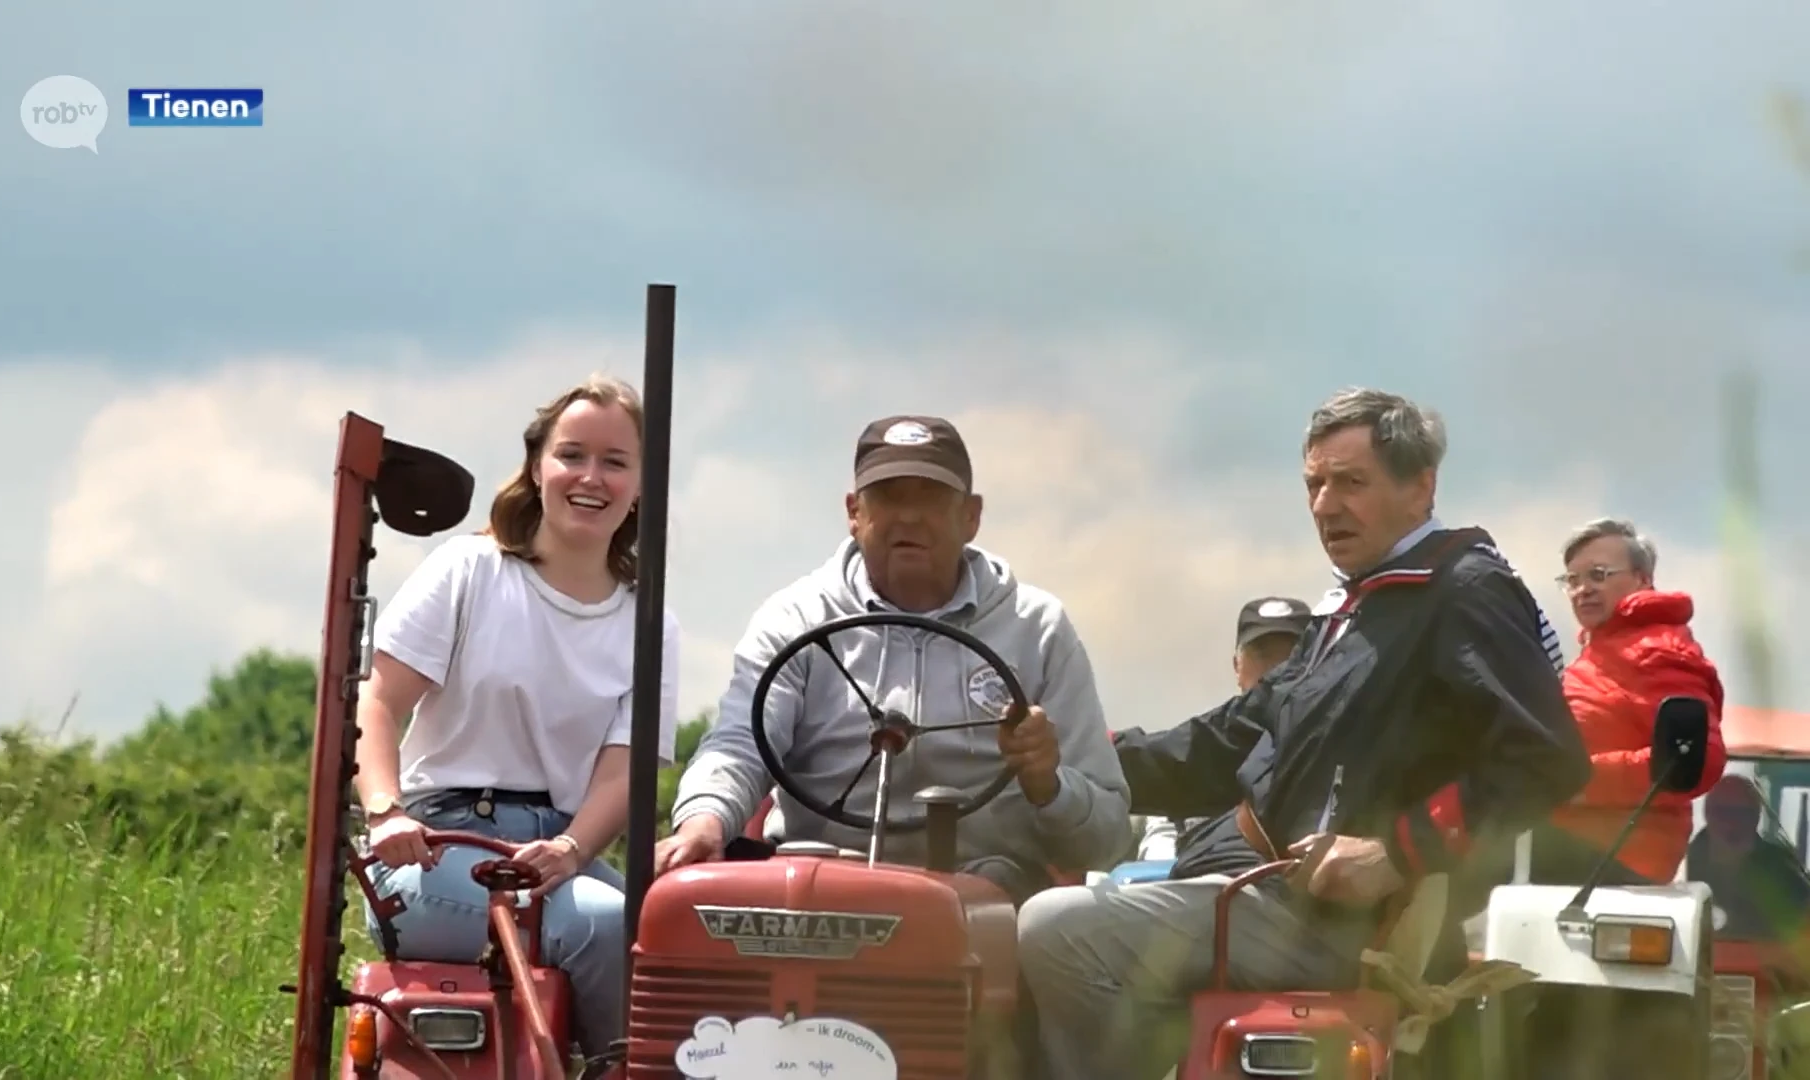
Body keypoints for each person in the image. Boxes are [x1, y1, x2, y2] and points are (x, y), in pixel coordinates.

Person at [1017, 387, 1592, 1080]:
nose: (1325, 506)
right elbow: (1232, 737)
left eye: (1352, 483)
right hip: (1254, 890)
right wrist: (1077, 753)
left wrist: (1396, 851)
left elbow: (1545, 758)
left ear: (1421, 486)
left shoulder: (1461, 590)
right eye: (1315, 485)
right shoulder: (1359, 604)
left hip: (1331, 922)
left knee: (1054, 931)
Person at [656, 414, 1132, 903]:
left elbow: (1108, 840)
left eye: (930, 497)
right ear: (854, 512)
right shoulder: (796, 617)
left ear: (971, 516)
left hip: (987, 896)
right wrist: (704, 819)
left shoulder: (1038, 629)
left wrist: (1047, 783)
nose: (909, 516)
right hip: (814, 887)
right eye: (888, 496)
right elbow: (739, 744)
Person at [352, 374, 680, 1066]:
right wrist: (386, 813)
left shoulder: (650, 624)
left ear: (642, 483)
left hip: (559, 854)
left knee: (677, 941)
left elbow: (624, 771)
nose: (590, 477)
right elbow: (377, 701)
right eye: (572, 455)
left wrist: (569, 851)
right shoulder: (470, 571)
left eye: (615, 462)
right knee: (599, 924)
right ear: (538, 467)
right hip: (437, 847)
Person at [1534, 517, 1726, 885]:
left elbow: (1699, 761)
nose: (1582, 590)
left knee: (1457, 850)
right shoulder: (1600, 651)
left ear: (1641, 579)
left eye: (1599, 574)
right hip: (1576, 844)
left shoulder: (1658, 650)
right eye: (1572, 580)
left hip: (1615, 855)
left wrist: (1578, 781)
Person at [1132, 597, 1310, 864]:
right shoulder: (1198, 749)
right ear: (1236, 666)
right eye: (1262, 654)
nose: (1277, 668)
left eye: (1291, 655)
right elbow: (1160, 839)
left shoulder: (1325, 746)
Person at [1686, 775, 1810, 941]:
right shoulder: (1682, 865)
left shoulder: (1780, 865)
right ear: (1708, 813)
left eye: (1742, 813)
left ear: (1755, 816)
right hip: (1696, 961)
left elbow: (1802, 915)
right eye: (1723, 811)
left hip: (1767, 962)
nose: (1732, 822)